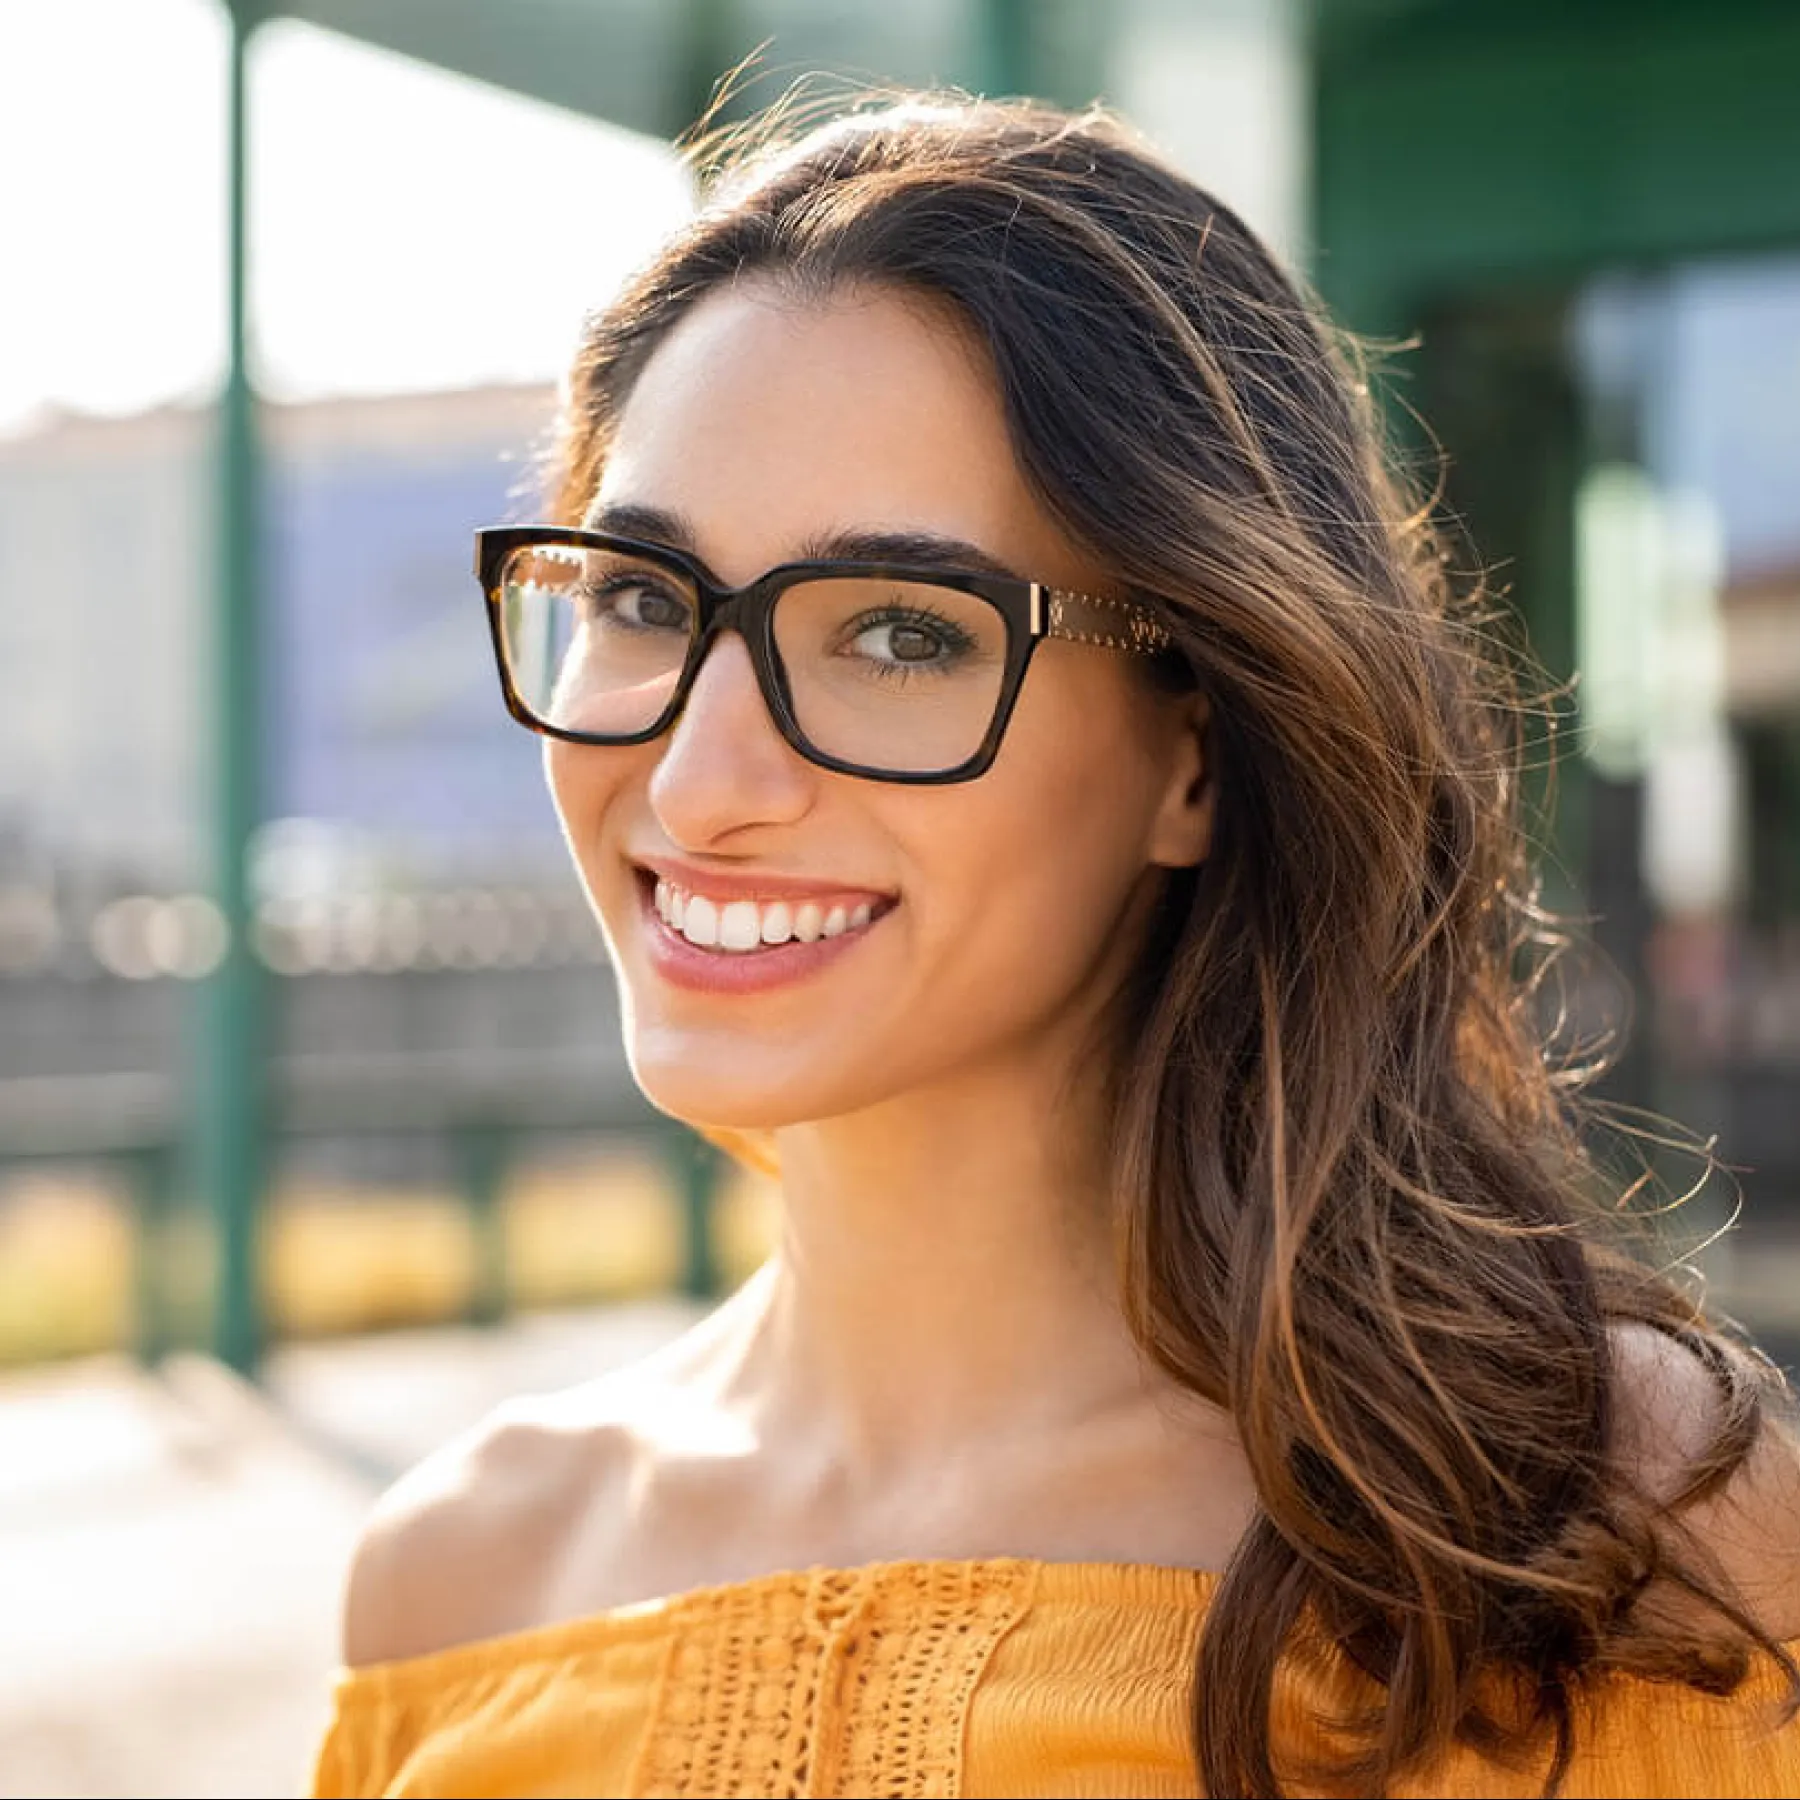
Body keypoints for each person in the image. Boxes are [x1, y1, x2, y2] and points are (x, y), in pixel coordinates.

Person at [308, 93, 1800, 1799]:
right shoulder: (451, 1590)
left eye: (896, 633)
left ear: (1195, 750)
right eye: (643, 601)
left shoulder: (1604, 1544)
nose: (701, 781)